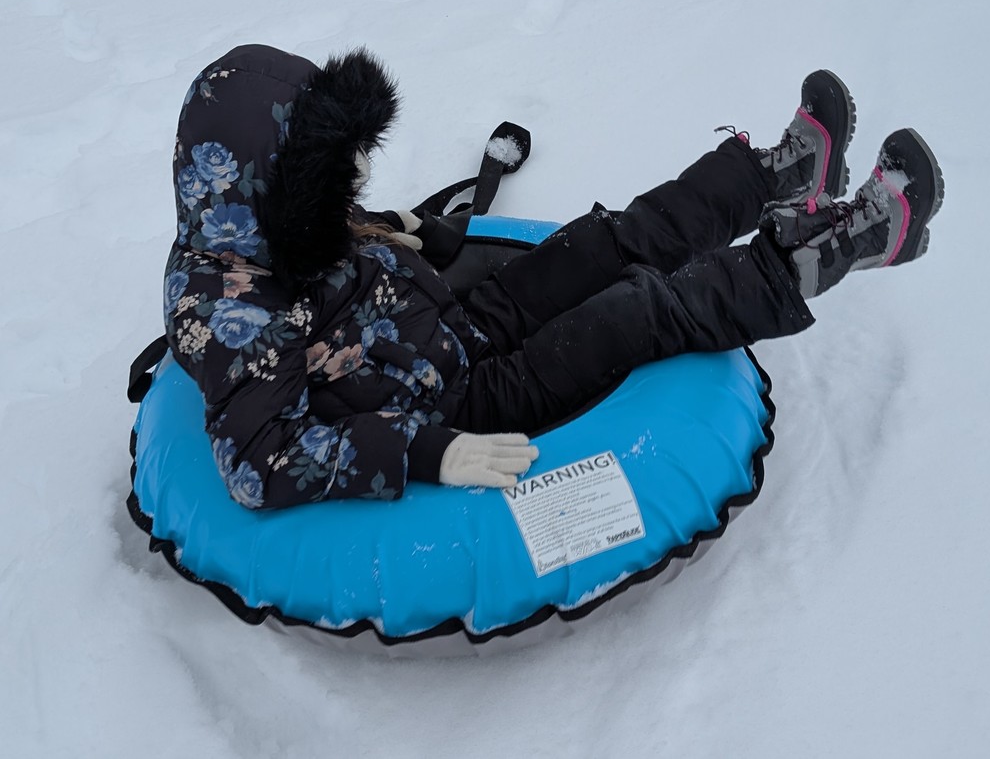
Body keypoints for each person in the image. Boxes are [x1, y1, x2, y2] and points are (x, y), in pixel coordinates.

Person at [163, 44, 943, 509]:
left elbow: (353, 254)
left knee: (612, 239)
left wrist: (416, 233)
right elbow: (258, 459)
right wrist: (424, 452)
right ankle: (835, 249)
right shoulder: (232, 319)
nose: (360, 172)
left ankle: (779, 174)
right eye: (337, 168)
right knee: (635, 309)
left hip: (456, 322)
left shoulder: (271, 219)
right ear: (272, 186)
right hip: (459, 401)